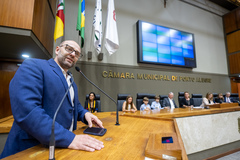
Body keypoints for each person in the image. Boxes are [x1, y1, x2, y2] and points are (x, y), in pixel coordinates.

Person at [0, 40, 104, 159]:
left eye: (77, 53)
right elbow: (28, 111)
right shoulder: (34, 66)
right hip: (31, 149)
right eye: (69, 49)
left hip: (63, 149)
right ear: (57, 50)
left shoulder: (71, 80)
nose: (73, 54)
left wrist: (84, 114)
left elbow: (74, 105)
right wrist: (68, 138)